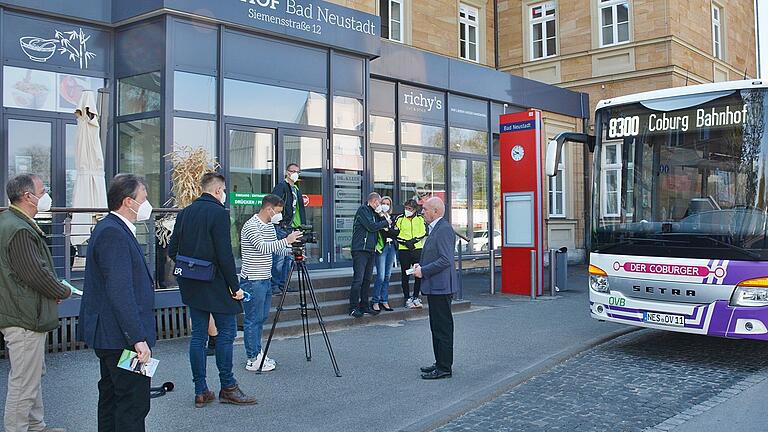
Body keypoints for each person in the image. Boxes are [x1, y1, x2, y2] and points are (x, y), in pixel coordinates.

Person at [169, 172, 256, 407]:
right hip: (216, 284)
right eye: (224, 191)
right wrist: (235, 287)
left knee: (198, 337)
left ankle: (201, 390)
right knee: (226, 334)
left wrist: (191, 266)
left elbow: (171, 250)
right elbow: (225, 255)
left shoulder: (185, 213)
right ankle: (228, 387)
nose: (225, 195)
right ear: (218, 191)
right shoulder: (219, 213)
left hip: (191, 282)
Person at [79, 174, 157, 431]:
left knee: (113, 397)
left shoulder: (112, 228)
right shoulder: (114, 232)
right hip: (122, 338)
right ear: (128, 202)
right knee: (133, 403)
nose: (147, 204)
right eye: (144, 199)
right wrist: (137, 338)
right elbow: (120, 290)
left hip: (114, 336)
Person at [0, 174, 70, 432]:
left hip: (24, 312)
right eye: (43, 190)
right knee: (23, 382)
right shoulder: (18, 228)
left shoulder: (12, 222)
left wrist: (53, 293)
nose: (46, 194)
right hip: (24, 315)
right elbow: (34, 273)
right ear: (28, 196)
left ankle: (35, 426)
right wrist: (61, 291)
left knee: (31, 377)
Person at [240, 194, 302, 372]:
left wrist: (292, 250)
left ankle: (258, 353)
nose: (278, 215)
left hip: (265, 278)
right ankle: (252, 358)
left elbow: (276, 248)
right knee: (253, 319)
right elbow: (263, 247)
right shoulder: (251, 225)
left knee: (261, 318)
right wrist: (286, 240)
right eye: (277, 211)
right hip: (253, 279)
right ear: (269, 209)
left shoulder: (268, 226)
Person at [413, 197, 458, 380]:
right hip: (435, 286)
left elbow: (445, 260)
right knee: (436, 327)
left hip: (441, 287)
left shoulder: (444, 229)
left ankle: (444, 367)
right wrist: (420, 265)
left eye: (425, 209)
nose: (422, 212)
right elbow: (436, 255)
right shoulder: (435, 229)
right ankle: (439, 362)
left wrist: (424, 270)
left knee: (442, 328)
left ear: (436, 211)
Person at [348, 192, 390, 318]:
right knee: (358, 280)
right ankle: (353, 307)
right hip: (360, 249)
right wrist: (386, 222)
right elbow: (371, 227)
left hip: (371, 250)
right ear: (374, 201)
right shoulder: (363, 210)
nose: (380, 205)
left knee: (367, 280)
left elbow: (381, 226)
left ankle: (364, 306)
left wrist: (381, 215)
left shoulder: (374, 213)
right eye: (378, 203)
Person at [270, 163, 306, 295]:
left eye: (297, 171)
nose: (295, 173)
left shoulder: (296, 189)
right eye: (292, 171)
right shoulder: (282, 187)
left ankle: (284, 284)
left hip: (293, 228)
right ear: (287, 172)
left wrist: (302, 226)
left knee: (289, 258)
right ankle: (274, 285)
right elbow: (273, 202)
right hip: (282, 226)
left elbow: (299, 210)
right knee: (279, 257)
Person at [395, 199, 428, 309]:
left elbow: (424, 232)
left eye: (409, 209)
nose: (407, 210)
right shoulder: (399, 218)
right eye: (406, 208)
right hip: (404, 249)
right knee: (405, 274)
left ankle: (415, 297)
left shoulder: (420, 218)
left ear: (414, 209)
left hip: (417, 248)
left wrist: (414, 241)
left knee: (418, 273)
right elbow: (395, 232)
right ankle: (407, 298)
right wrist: (405, 242)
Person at [371, 196, 398, 312]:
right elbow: (382, 231)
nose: (386, 205)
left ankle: (384, 300)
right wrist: (388, 229)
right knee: (381, 276)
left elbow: (395, 232)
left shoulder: (392, 217)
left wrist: (389, 230)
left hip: (392, 247)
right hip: (382, 248)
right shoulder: (377, 217)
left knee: (388, 275)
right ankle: (375, 301)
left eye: (388, 203)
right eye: (384, 203)